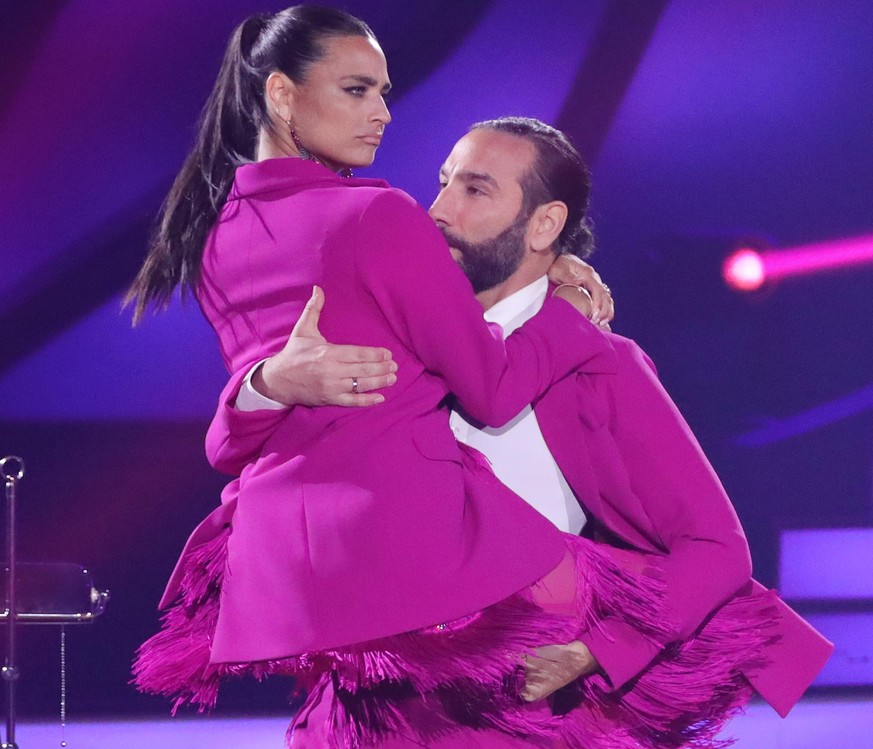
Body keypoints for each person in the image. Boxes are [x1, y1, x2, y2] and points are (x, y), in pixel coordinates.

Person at [126, 8, 689, 749]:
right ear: (282, 96)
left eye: (385, 93)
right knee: (646, 613)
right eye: (357, 90)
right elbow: (490, 390)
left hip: (287, 575)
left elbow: (230, 442)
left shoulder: (213, 234)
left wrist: (266, 382)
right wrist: (563, 309)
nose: (382, 114)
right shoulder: (378, 215)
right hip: (414, 554)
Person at [225, 118, 833, 747]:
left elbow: (715, 547)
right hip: (368, 710)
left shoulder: (602, 363)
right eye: (442, 185)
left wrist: (598, 650)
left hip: (511, 710)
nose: (435, 212)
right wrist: (268, 380)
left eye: (475, 191)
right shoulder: (394, 341)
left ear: (544, 225)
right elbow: (236, 447)